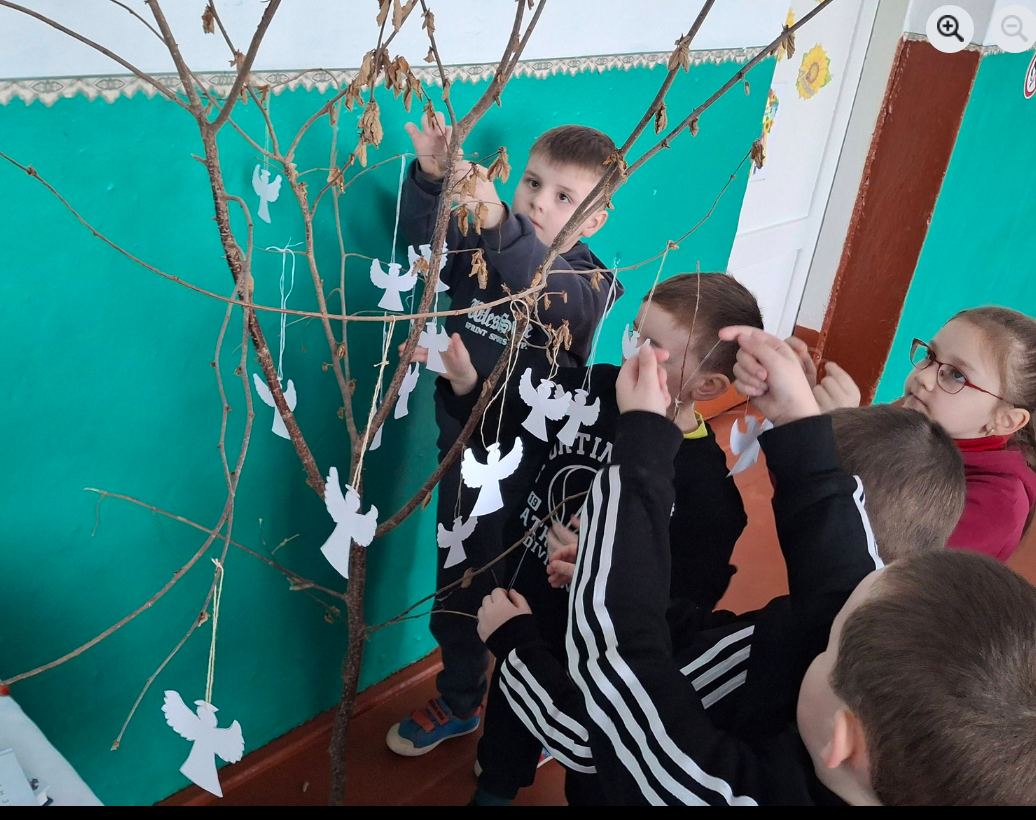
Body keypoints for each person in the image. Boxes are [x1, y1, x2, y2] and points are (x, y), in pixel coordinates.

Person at [480, 332, 1036, 805]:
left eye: (834, 640)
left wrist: (643, 443)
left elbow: (622, 677)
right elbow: (842, 574)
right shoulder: (867, 679)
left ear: (841, 740)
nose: (840, 603)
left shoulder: (719, 787)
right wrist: (798, 419)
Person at [433, 272, 762, 804]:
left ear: (706, 386)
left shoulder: (707, 494)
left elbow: (685, 601)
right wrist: (469, 384)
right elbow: (517, 421)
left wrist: (603, 564)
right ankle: (496, 783)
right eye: (635, 333)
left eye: (655, 346)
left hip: (605, 648)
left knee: (590, 753)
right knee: (511, 708)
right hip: (529, 605)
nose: (634, 352)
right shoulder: (593, 388)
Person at [387, 114, 622, 756]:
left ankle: (537, 709)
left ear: (594, 221)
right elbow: (424, 243)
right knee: (458, 590)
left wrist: (496, 219)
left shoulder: (590, 287)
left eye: (565, 197)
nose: (539, 203)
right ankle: (462, 698)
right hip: (465, 454)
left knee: (527, 598)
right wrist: (433, 178)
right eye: (533, 183)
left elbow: (543, 287)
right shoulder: (486, 245)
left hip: (535, 483)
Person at [782, 307, 1036, 561]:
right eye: (930, 355)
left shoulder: (999, 506)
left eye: (957, 375)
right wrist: (806, 411)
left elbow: (870, 565)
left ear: (1006, 420)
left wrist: (830, 435)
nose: (924, 377)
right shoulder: (916, 419)